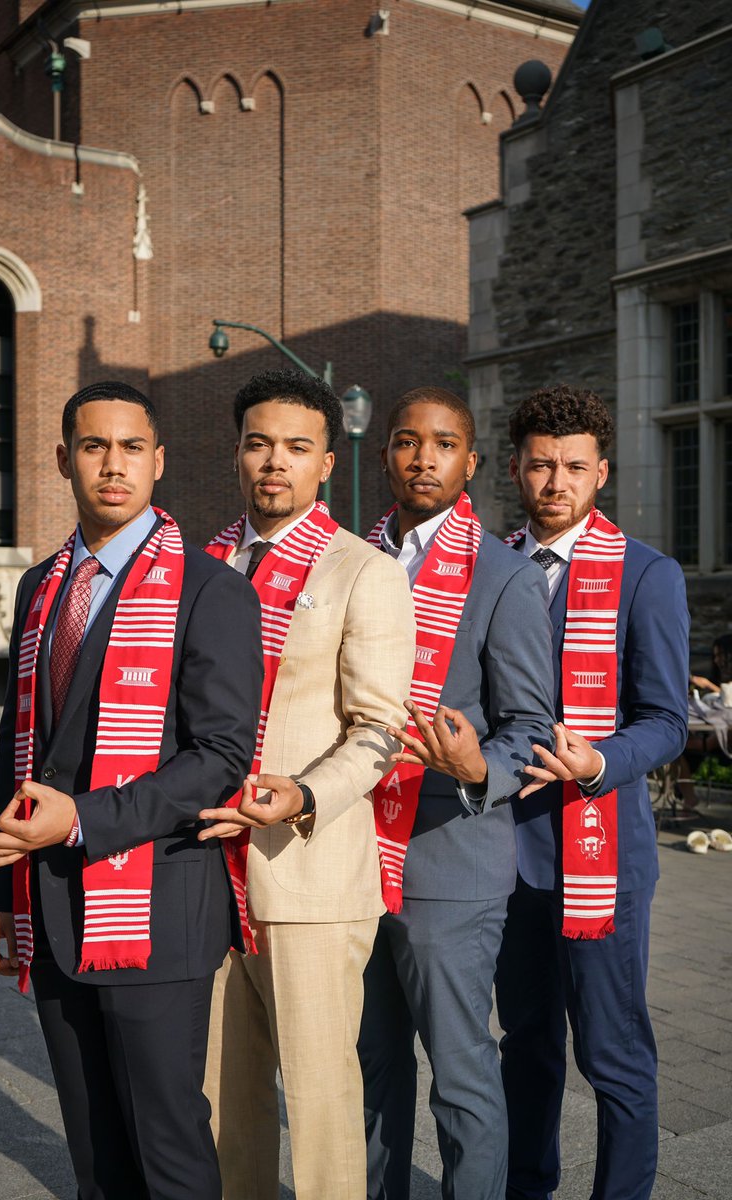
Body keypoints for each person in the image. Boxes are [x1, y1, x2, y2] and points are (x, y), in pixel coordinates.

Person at [0, 380, 263, 1200]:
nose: (113, 466)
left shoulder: (210, 589)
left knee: (168, 1152)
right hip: (49, 905)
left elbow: (222, 756)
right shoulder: (41, 588)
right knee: (95, 1158)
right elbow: (16, 751)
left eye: (132, 448)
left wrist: (82, 821)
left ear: (159, 463)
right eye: (94, 447)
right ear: (64, 459)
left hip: (156, 908)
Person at [199, 369, 416, 1200]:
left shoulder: (364, 571)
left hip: (309, 874)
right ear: (238, 456)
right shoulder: (199, 564)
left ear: (327, 462)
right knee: (222, 1103)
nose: (274, 463)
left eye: (296, 448)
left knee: (322, 1105)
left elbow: (381, 731)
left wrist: (305, 793)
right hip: (203, 872)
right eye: (259, 445)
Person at [357, 387, 556, 1200]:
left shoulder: (503, 577)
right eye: (408, 441)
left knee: (461, 1075)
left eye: (444, 444)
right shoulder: (350, 560)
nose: (424, 457)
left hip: (450, 862)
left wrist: (480, 770)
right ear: (386, 456)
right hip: (353, 851)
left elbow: (531, 726)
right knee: (370, 1072)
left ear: (471, 462)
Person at [495, 385, 689, 1200]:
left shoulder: (647, 576)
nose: (556, 481)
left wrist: (600, 762)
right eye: (541, 464)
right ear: (515, 468)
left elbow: (667, 720)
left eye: (573, 466)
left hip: (598, 852)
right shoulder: (484, 568)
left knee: (612, 1054)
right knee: (526, 1048)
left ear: (600, 472)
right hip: (502, 856)